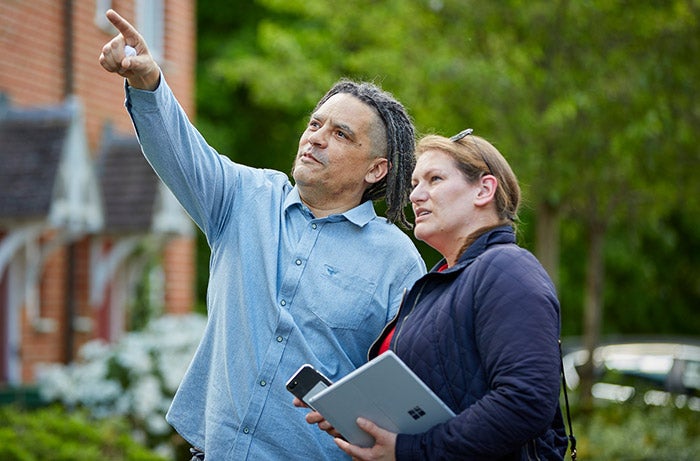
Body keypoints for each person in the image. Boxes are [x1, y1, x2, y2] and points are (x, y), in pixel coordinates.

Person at [98, 9, 426, 460]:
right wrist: (148, 81)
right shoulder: (244, 198)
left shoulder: (398, 260)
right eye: (315, 124)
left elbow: (406, 383)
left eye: (341, 134)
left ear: (376, 169)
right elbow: (179, 149)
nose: (316, 138)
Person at [304, 130, 569, 460]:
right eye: (415, 183)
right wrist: (361, 418)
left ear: (484, 190)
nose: (416, 195)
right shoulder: (440, 282)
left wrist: (411, 450)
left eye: (434, 179)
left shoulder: (507, 269)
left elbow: (526, 400)